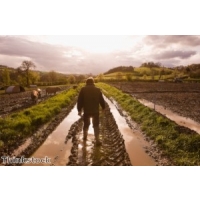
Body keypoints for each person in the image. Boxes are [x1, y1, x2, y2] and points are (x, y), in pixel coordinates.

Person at [77, 77, 105, 146]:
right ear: (93, 82)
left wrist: (79, 110)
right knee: (96, 125)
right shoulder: (98, 90)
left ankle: (84, 137)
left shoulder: (83, 90)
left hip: (86, 111)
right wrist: (103, 108)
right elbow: (101, 100)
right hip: (95, 111)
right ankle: (97, 140)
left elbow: (79, 100)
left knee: (86, 124)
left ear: (86, 83)